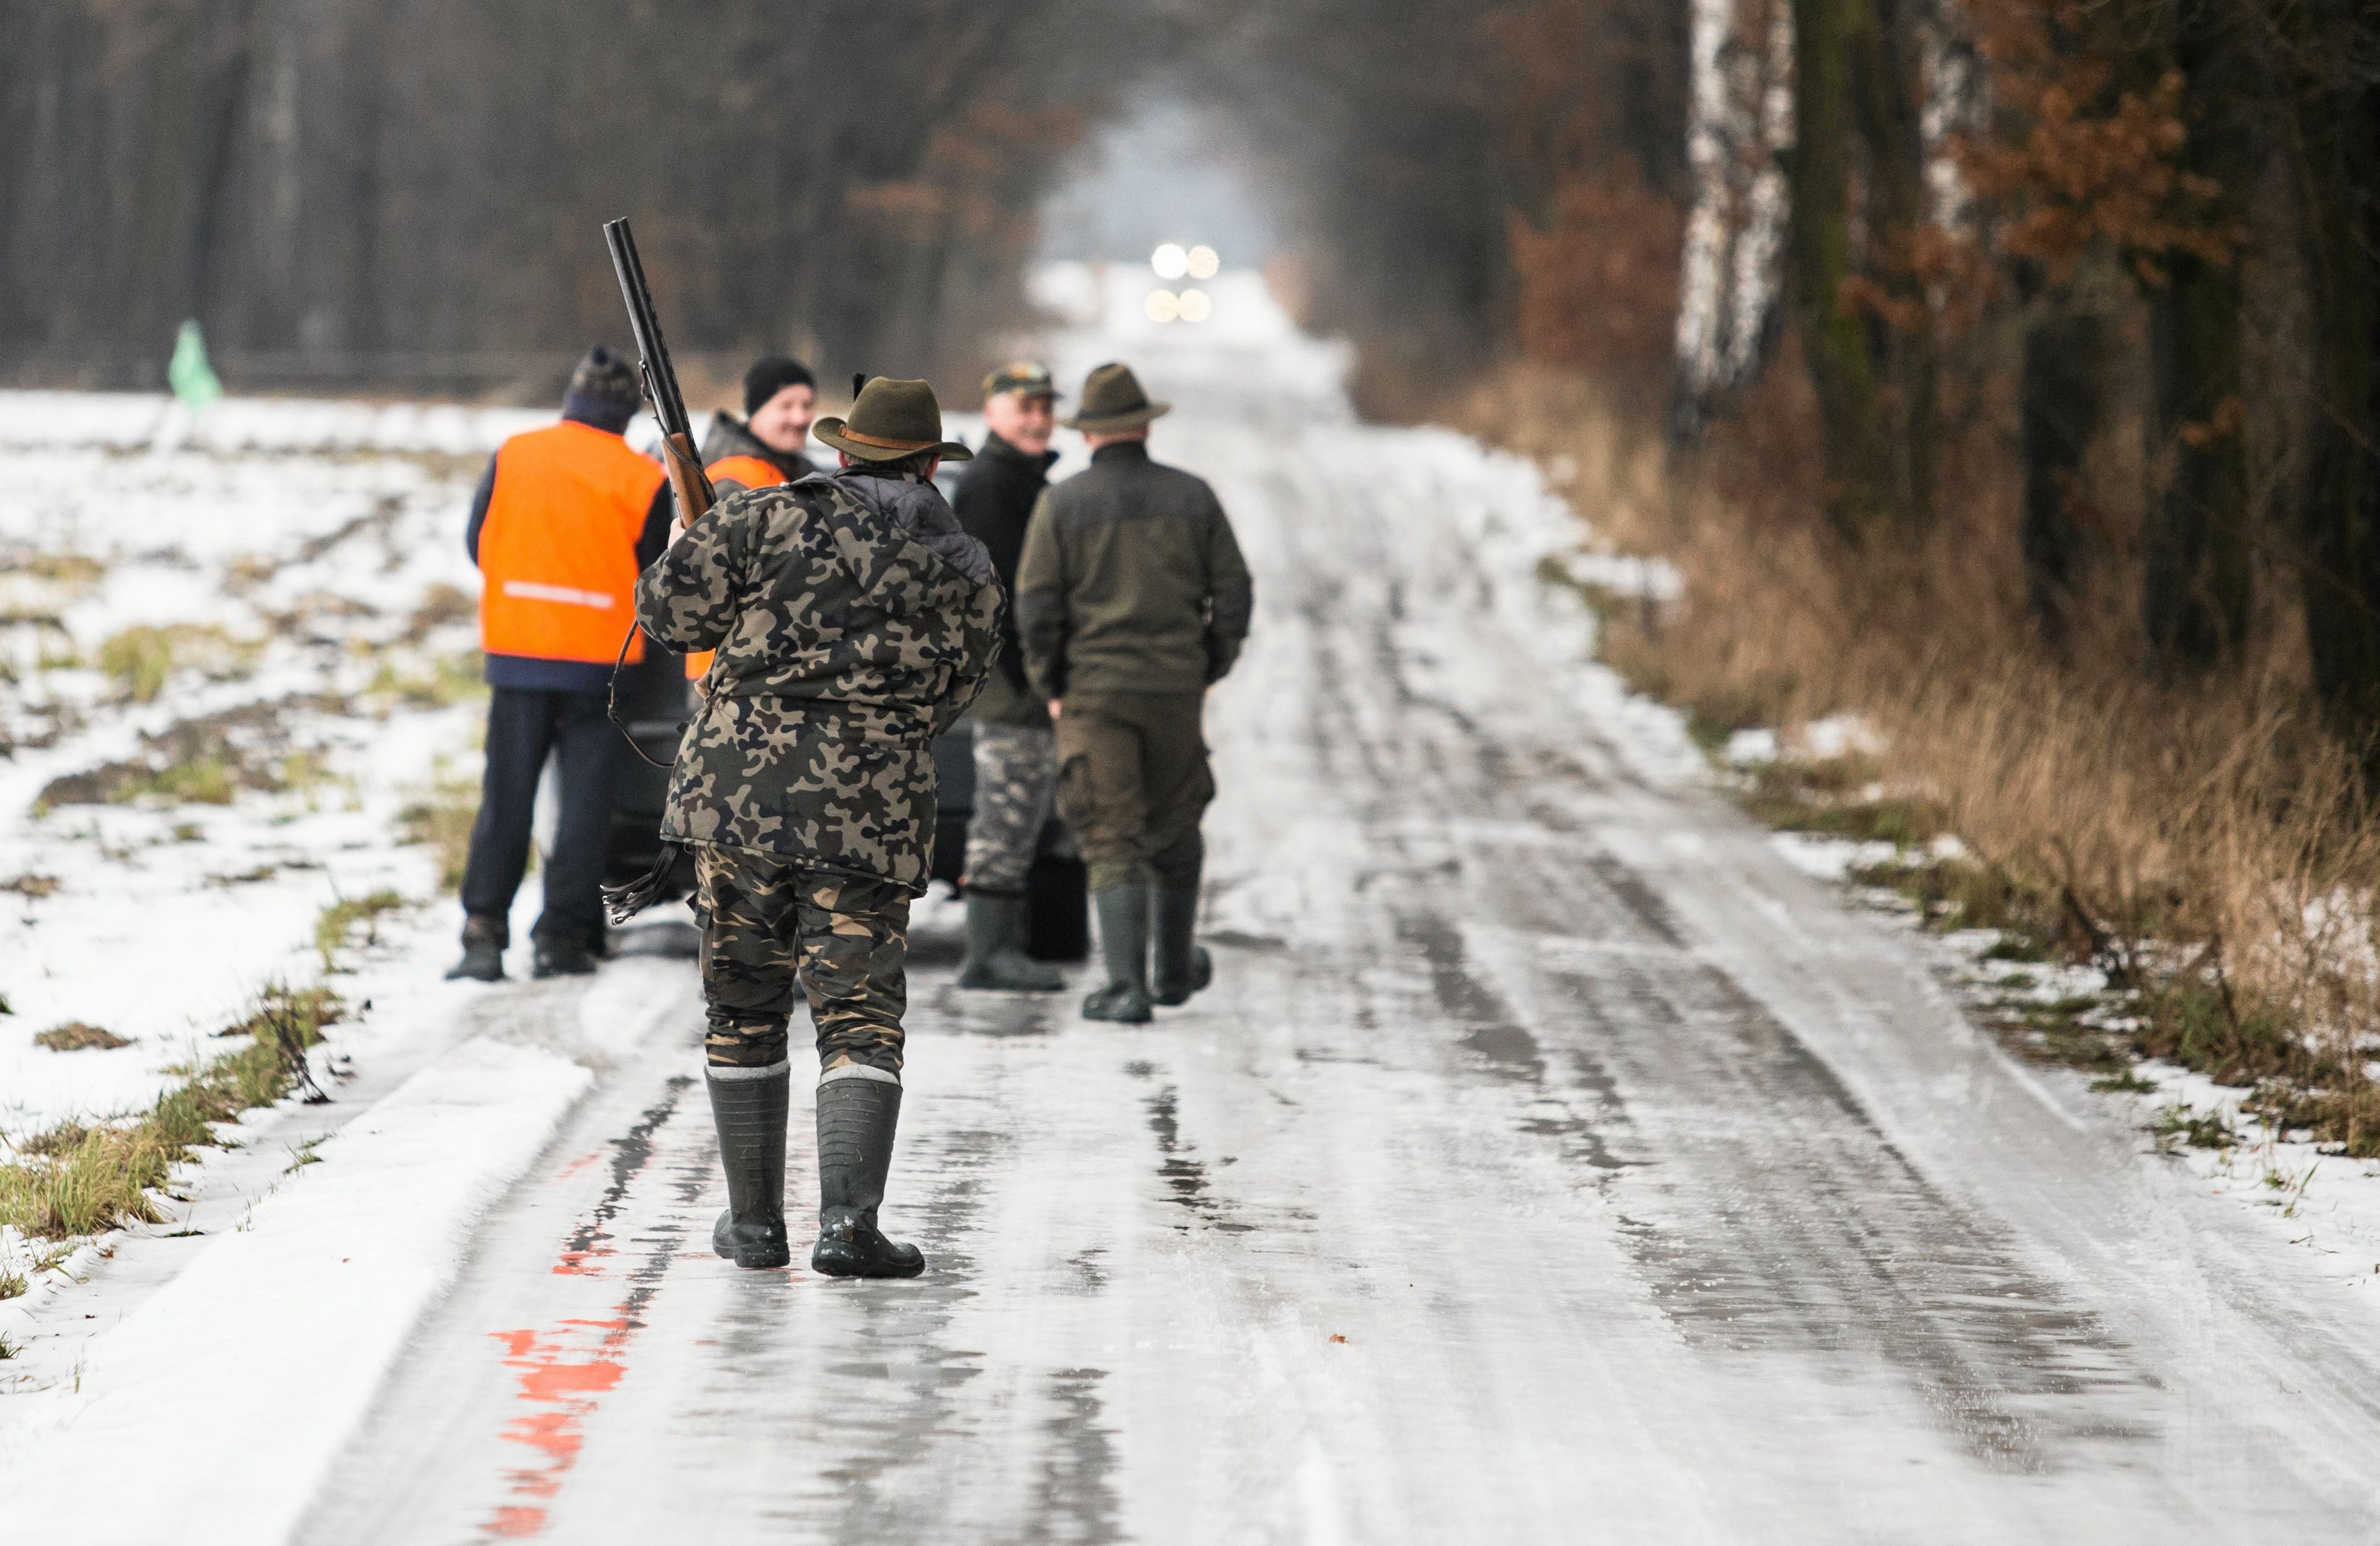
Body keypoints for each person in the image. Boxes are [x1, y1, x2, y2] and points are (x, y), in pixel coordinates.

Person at [634, 376, 999, 1278]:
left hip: (734, 801)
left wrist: (685, 541)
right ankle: (848, 1227)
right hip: (870, 814)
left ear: (841, 452)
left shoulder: (761, 516)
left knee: (742, 1004)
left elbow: (667, 617)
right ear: (928, 464)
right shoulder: (966, 565)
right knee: (860, 1016)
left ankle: (755, 1224)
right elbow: (955, 693)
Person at [1015, 362, 1252, 1024]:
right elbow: (1234, 590)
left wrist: (1051, 682)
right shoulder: (1195, 497)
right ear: (1144, 427)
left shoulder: (1062, 504)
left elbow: (1036, 606)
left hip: (1095, 694)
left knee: (1110, 830)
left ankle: (1127, 987)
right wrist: (1210, 663)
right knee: (1176, 826)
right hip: (1175, 689)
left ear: (1089, 434)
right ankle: (1172, 972)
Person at [447, 345, 672, 983]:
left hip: (518, 654)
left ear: (573, 398)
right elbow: (655, 573)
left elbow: (478, 544)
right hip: (599, 667)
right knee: (583, 807)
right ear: (626, 412)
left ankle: (483, 931)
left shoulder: (514, 453)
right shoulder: (643, 479)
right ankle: (561, 937)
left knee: (506, 795)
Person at [950, 361, 1068, 991]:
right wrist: (1035, 678)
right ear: (993, 411)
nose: (1038, 419)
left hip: (1023, 677)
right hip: (1012, 681)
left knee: (1022, 816)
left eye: (1046, 407)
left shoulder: (1024, 478)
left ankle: (1001, 944)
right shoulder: (992, 483)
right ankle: (987, 953)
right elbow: (1000, 594)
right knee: (1006, 815)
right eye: (1025, 407)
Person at [683, 356, 821, 683]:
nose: (801, 417)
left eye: (807, 405)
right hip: (730, 670)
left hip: (770, 664)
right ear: (756, 411)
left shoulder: (792, 473)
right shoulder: (734, 481)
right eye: (786, 406)